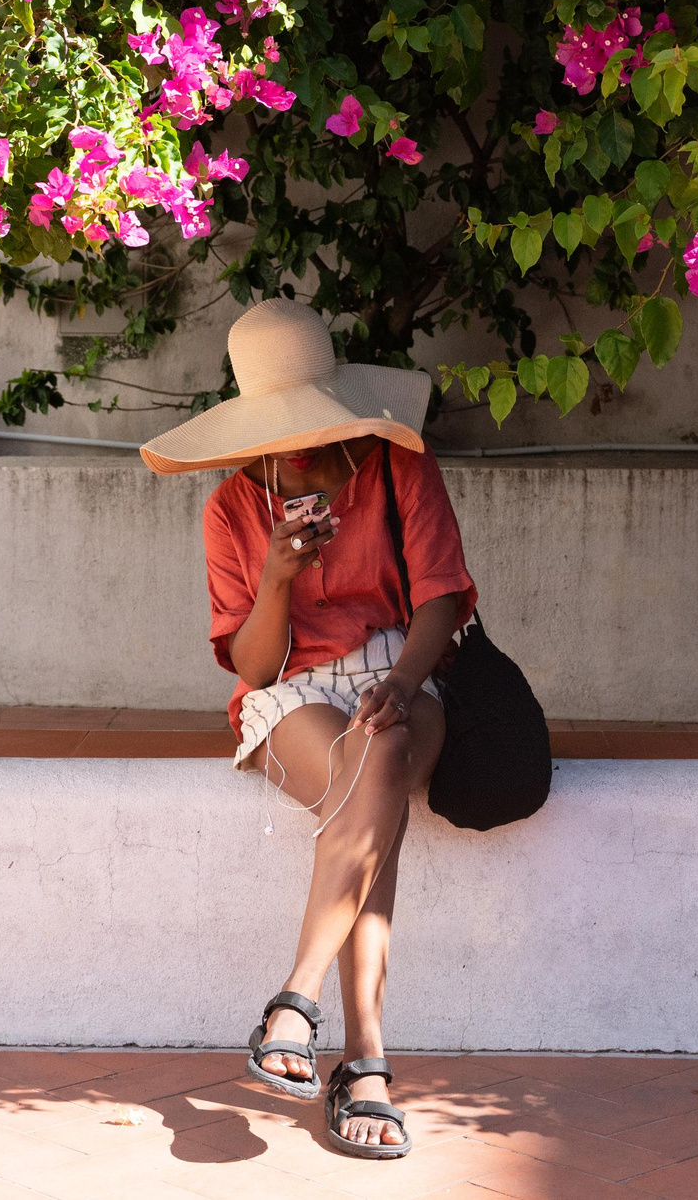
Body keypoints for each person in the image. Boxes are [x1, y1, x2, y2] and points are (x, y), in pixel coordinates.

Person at [140, 298, 475, 1160]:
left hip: (405, 671)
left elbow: (442, 597)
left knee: (389, 746)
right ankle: (363, 1062)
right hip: (295, 692)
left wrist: (402, 683)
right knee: (379, 789)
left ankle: (296, 1000)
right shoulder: (230, 510)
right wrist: (279, 575)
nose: (292, 446)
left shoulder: (399, 469)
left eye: (305, 423)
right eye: (274, 429)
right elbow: (253, 667)